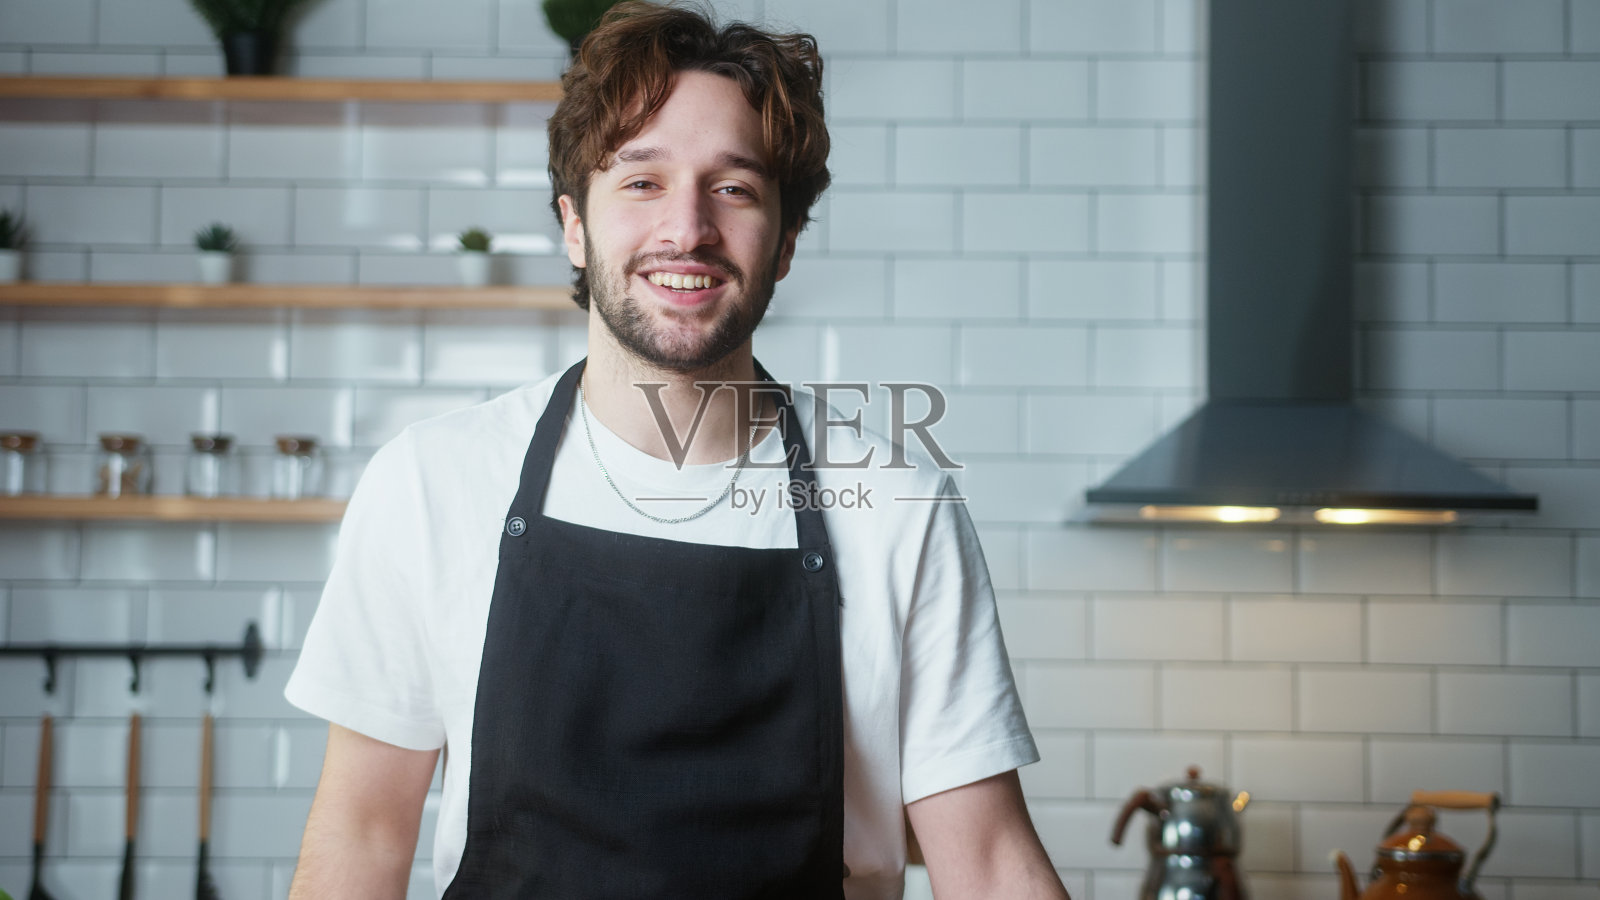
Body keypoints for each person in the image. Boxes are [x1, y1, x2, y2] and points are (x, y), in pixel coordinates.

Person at [283, 3, 1069, 898]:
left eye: (733, 188)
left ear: (784, 244)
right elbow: (361, 834)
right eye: (643, 181)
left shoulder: (894, 505)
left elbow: (992, 862)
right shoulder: (433, 482)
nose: (687, 229)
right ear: (574, 224)